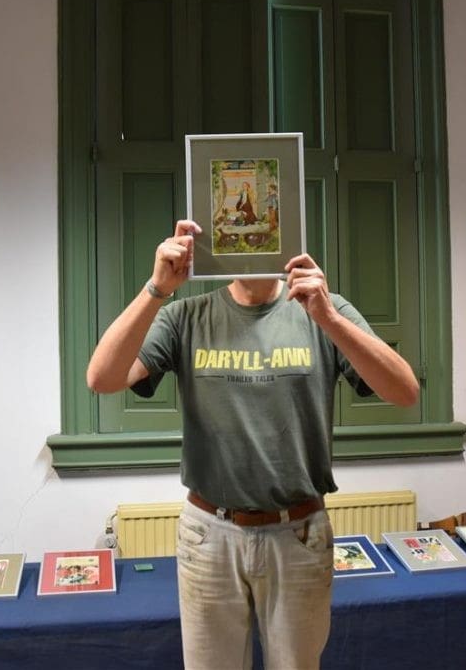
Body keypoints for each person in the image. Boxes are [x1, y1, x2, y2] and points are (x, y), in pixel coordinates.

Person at [87, 220, 419, 669]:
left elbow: (405, 392)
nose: (249, 240)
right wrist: (157, 288)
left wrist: (329, 319)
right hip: (209, 535)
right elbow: (102, 378)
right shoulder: (184, 316)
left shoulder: (325, 310)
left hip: (298, 535)